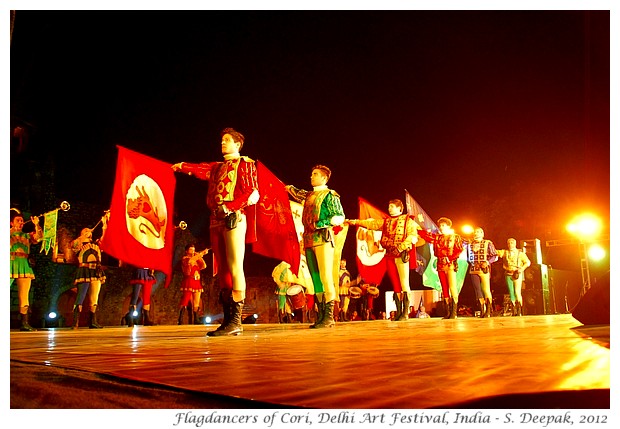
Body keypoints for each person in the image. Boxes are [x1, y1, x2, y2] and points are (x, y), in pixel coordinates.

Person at [172, 127, 259, 337]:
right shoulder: (217, 167)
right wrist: (180, 166)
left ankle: (236, 320)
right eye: (222, 140)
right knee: (222, 269)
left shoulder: (245, 164)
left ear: (237, 144)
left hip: (234, 217)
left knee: (235, 264)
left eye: (227, 140)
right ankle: (228, 319)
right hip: (215, 219)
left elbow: (252, 192)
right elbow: (200, 169)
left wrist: (231, 207)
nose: (223, 143)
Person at [286, 165, 345, 329]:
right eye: (312, 174)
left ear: (324, 178)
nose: (311, 177)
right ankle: (320, 315)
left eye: (315, 174)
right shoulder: (310, 195)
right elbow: (296, 192)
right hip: (309, 239)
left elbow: (339, 216)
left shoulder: (330, 195)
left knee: (326, 276)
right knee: (315, 279)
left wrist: (321, 223)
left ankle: (329, 316)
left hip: (323, 238)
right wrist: (284, 186)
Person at [346, 199, 418, 321]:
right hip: (389, 255)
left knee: (404, 282)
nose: (390, 208)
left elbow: (412, 235)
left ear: (400, 209)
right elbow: (371, 224)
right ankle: (399, 311)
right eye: (389, 206)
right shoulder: (386, 222)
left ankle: (405, 312)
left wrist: (401, 247)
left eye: (392, 206)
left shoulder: (408, 221)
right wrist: (354, 222)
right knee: (395, 283)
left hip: (401, 254)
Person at [418, 217, 464, 319]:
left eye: (443, 225)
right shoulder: (437, 237)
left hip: (450, 264)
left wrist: (450, 258)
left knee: (452, 287)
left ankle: (454, 312)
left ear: (448, 226)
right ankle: (447, 312)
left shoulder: (455, 237)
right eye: (440, 225)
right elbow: (427, 236)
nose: (441, 227)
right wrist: (417, 229)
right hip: (440, 264)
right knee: (444, 288)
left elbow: (459, 249)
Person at [71, 213, 109, 329]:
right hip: (84, 271)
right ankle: (75, 322)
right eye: (85, 231)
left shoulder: (96, 244)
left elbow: (106, 239)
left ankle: (93, 321)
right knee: (81, 296)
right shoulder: (78, 244)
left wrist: (104, 224)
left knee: (94, 297)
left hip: (96, 272)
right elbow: (74, 245)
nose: (88, 231)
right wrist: (82, 237)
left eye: (89, 230)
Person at [10, 210, 43, 331]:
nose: (21, 222)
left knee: (24, 295)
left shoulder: (27, 235)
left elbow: (39, 238)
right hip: (10, 262)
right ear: (11, 223)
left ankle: (24, 323)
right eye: (18, 220)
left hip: (24, 264)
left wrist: (36, 224)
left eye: (22, 220)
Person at [465, 227, 498, 318]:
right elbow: (467, 257)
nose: (476, 233)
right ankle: (482, 309)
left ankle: (488, 310)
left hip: (484, 269)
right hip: (474, 269)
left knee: (486, 289)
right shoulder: (469, 245)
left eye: (479, 232)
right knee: (477, 290)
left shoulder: (488, 243)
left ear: (482, 234)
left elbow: (494, 256)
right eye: (475, 232)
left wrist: (487, 262)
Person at [497, 238, 531, 316]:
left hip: (517, 274)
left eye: (512, 243)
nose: (510, 244)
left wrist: (522, 268)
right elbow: (497, 252)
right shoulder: (505, 252)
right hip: (508, 273)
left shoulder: (520, 254)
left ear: (515, 244)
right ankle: (514, 310)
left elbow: (528, 262)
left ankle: (519, 310)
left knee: (517, 292)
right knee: (511, 292)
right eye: (508, 243)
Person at [178, 244, 209, 325]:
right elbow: (190, 261)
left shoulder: (196, 259)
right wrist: (200, 254)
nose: (193, 251)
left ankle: (196, 318)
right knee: (185, 299)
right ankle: (180, 318)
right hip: (189, 280)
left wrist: (201, 256)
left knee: (197, 301)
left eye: (194, 249)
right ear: (186, 251)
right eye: (191, 250)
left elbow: (204, 266)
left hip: (196, 281)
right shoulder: (185, 258)